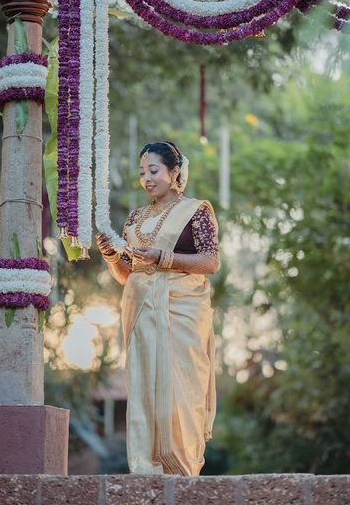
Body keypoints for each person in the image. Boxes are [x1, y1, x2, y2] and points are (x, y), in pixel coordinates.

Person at [96, 141, 220, 476]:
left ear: (174, 171)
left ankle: (183, 471)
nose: (147, 179)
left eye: (153, 171)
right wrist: (111, 255)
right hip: (140, 313)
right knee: (143, 393)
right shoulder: (136, 218)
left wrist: (164, 258)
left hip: (182, 313)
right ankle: (146, 472)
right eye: (142, 173)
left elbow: (210, 261)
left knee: (180, 390)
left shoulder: (196, 210)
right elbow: (128, 274)